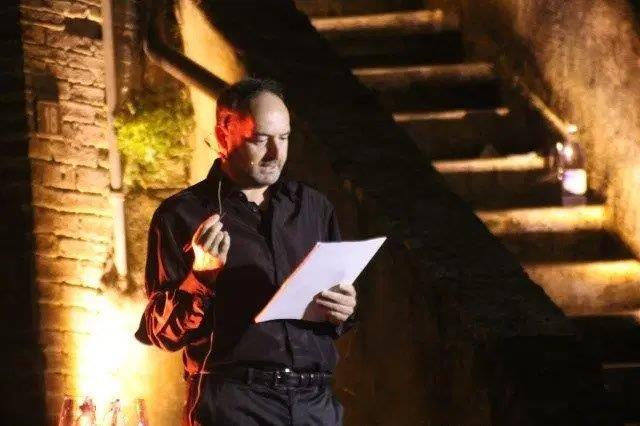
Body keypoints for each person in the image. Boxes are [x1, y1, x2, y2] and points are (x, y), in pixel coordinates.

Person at [135, 77, 358, 426]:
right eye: (260, 139)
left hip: (315, 403)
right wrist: (200, 278)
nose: (275, 154)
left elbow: (335, 308)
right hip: (235, 404)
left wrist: (344, 309)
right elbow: (158, 332)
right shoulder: (182, 215)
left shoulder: (313, 207)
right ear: (224, 135)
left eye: (284, 138)